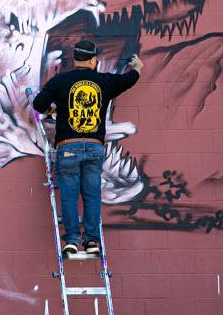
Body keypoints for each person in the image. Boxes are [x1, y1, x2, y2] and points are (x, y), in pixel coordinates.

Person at [32, 40, 143, 257]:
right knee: (92, 195)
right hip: (94, 148)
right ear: (93, 60)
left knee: (69, 195)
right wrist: (137, 66)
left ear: (76, 60)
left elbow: (38, 104)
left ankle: (72, 241)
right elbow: (129, 80)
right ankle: (92, 241)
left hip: (68, 147)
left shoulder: (60, 81)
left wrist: (53, 107)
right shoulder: (104, 82)